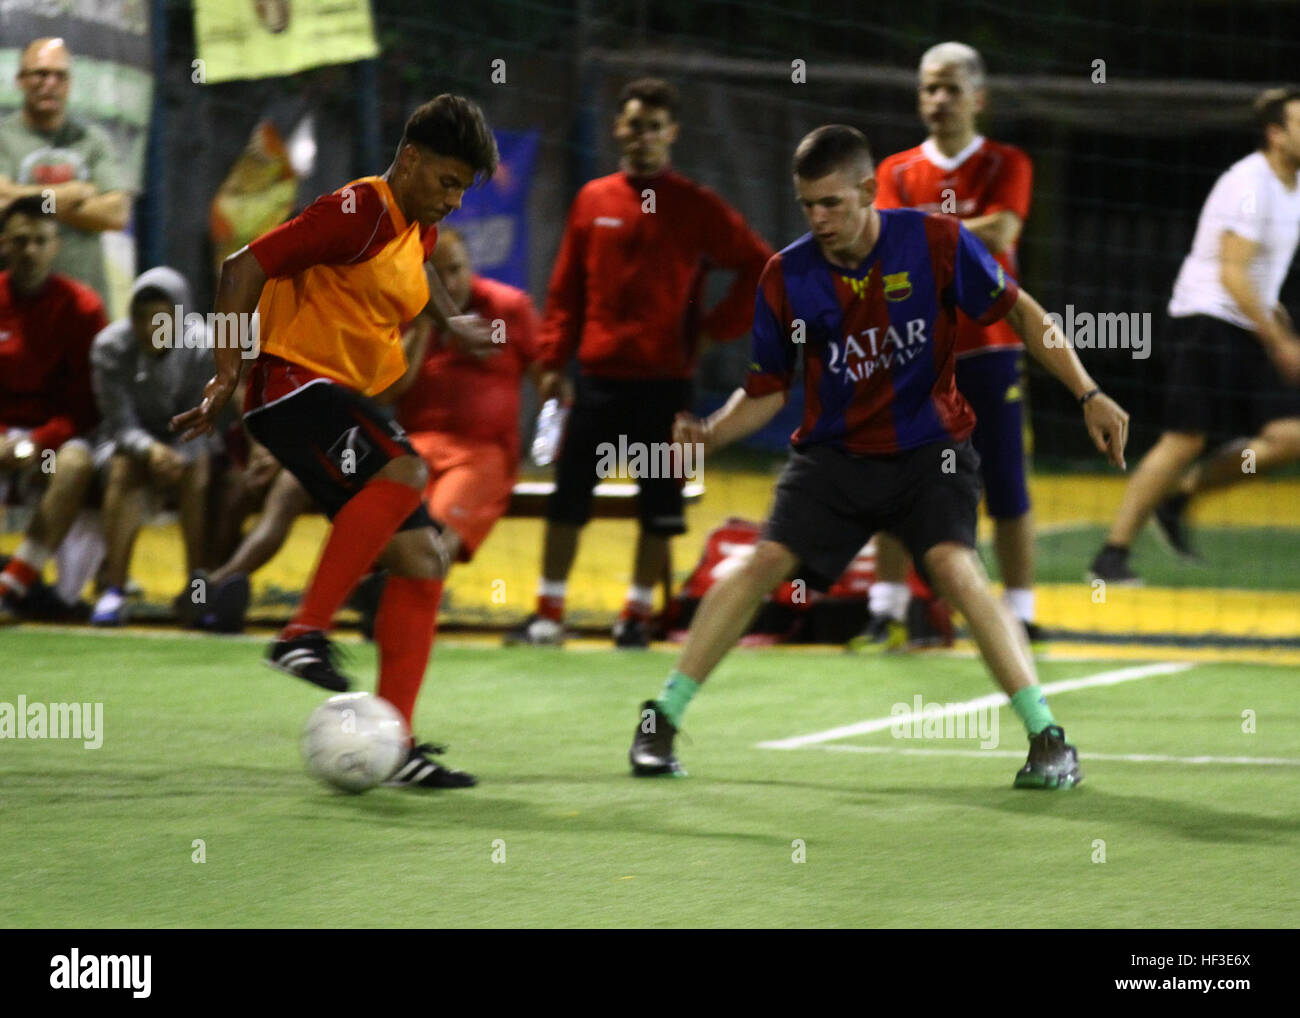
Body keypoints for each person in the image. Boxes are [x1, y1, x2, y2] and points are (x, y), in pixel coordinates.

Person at [628, 125, 1129, 789]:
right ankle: (662, 718)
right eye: (808, 204)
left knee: (954, 565)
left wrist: (1088, 391)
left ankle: (1048, 739)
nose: (819, 218)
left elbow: (1024, 314)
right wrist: (710, 434)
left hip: (932, 451)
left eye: (832, 203)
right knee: (765, 562)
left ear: (869, 190)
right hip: (834, 458)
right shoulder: (787, 276)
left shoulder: (936, 242)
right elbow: (765, 391)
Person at [172, 95, 500, 790]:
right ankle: (302, 634)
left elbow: (427, 284)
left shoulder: (418, 231)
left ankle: (398, 743)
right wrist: (227, 372)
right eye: (445, 181)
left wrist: (453, 320)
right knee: (406, 468)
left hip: (333, 397)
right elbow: (241, 268)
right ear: (409, 158)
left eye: (462, 190)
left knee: (424, 558)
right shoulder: (362, 211)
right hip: (291, 385)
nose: (452, 200)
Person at [506, 78, 773, 649]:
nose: (643, 135)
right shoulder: (593, 200)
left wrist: (710, 333)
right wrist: (554, 359)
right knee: (568, 499)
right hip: (597, 382)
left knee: (660, 506)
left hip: (666, 387)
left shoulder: (695, 206)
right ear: (618, 128)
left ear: (671, 134)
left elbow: (761, 267)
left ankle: (635, 616)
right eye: (633, 124)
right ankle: (549, 614)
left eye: (655, 126)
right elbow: (566, 288)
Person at [861, 41, 1040, 650]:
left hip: (990, 346)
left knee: (1005, 481)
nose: (938, 99)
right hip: (913, 349)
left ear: (978, 98)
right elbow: (879, 243)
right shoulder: (895, 170)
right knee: (896, 477)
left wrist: (919, 231)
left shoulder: (1007, 162)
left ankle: (1022, 611)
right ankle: (885, 609)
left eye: (951, 88)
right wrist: (957, 232)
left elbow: (1003, 231)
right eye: (929, 88)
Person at [1090, 87, 1300, 582]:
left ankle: (1183, 496)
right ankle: (1111, 555)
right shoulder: (1248, 183)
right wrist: (1281, 342)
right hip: (1204, 321)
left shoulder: (1293, 188)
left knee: (1290, 437)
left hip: (1250, 323)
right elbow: (1231, 273)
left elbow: (1257, 276)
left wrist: (1277, 320)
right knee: (1185, 438)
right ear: (1276, 134)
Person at [0, 195, 105, 623]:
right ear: (4, 243)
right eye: (20, 241)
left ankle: (13, 584)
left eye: (40, 241)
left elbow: (84, 408)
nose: (30, 251)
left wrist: (33, 443)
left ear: (55, 245)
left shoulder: (82, 307)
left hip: (46, 444)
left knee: (77, 462)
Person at [88, 267, 212, 626]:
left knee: (199, 467)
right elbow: (118, 423)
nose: (148, 328)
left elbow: (204, 418)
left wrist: (177, 453)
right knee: (125, 468)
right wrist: (150, 451)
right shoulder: (109, 347)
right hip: (127, 444)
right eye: (140, 318)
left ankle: (196, 588)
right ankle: (114, 589)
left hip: (189, 442)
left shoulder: (205, 347)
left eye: (159, 319)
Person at [0, 38, 130, 307]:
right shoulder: (3, 136)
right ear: (20, 80)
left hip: (81, 305)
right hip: (15, 305)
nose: (50, 83)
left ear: (69, 85)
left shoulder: (93, 140)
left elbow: (117, 214)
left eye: (60, 76)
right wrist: (74, 194)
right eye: (40, 74)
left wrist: (25, 200)